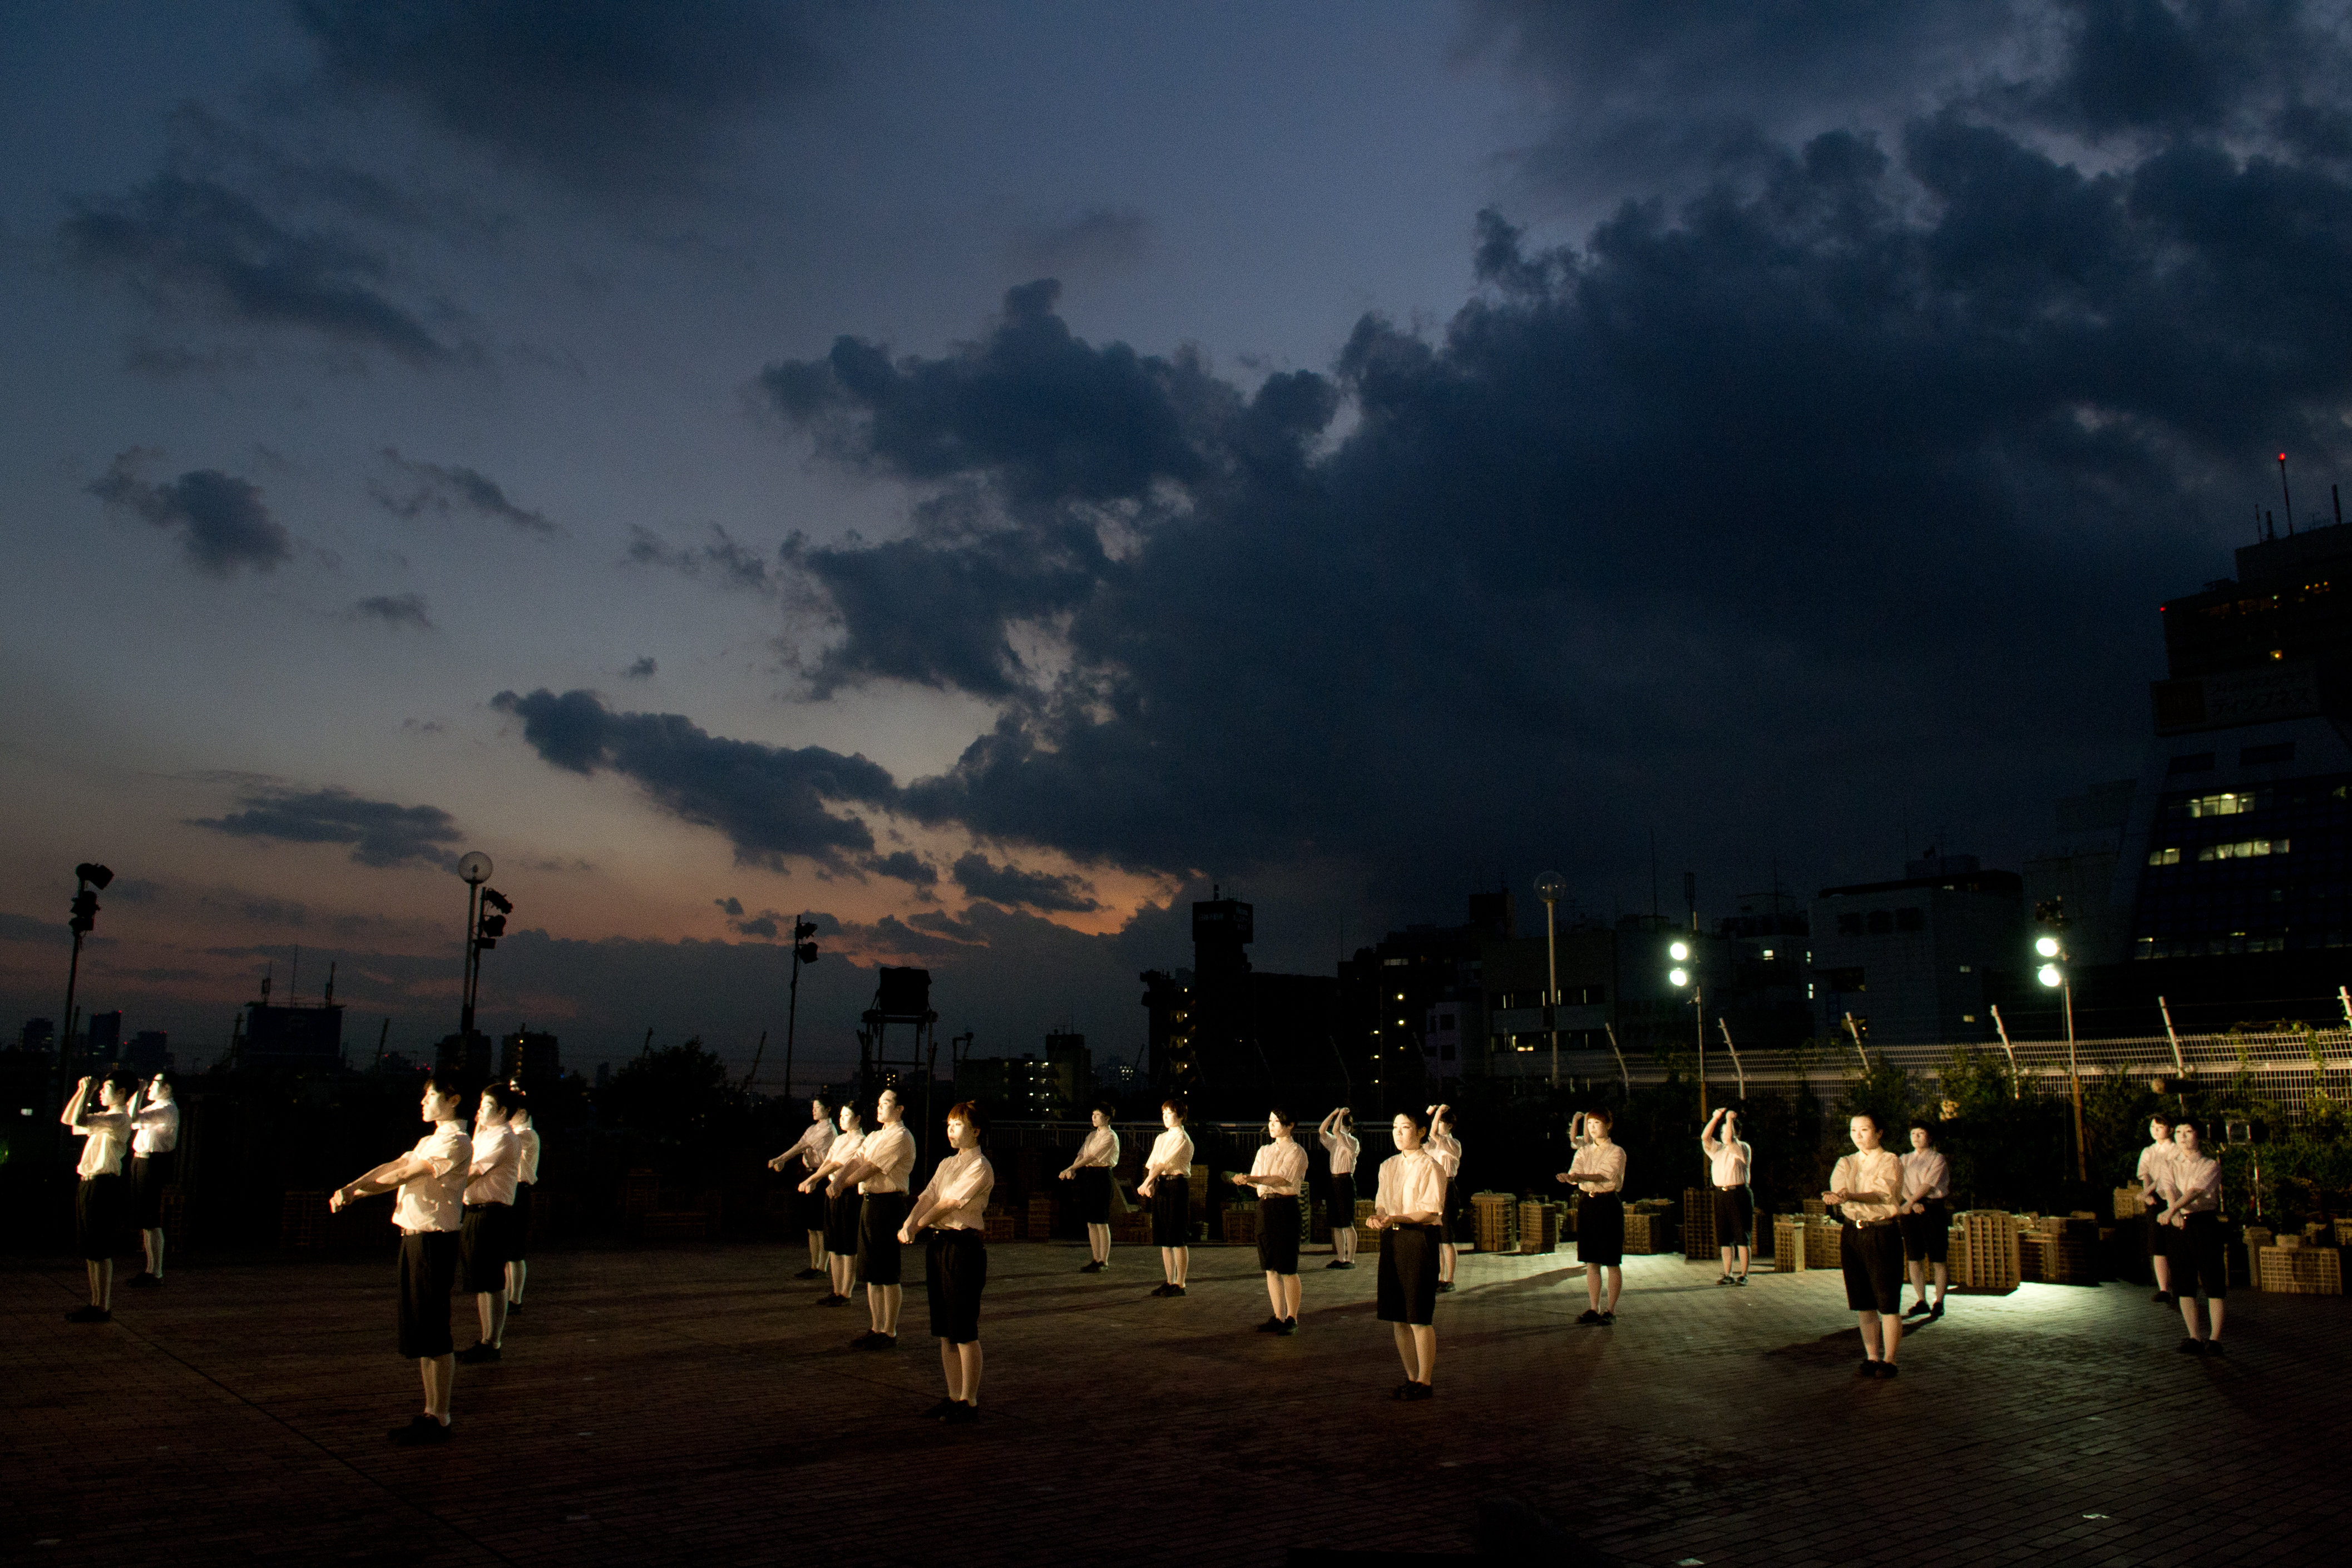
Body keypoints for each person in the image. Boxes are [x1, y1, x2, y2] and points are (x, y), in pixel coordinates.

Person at [329, 1069, 471, 1443]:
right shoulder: (429, 1140)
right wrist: (352, 1188)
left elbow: (404, 1175)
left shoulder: (455, 1142)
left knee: (435, 1330)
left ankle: (441, 1416)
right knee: (422, 1330)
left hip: (434, 1242)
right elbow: (393, 1166)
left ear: (453, 1099)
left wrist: (357, 1191)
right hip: (415, 1239)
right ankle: (431, 1412)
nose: (423, 1102)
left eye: (430, 1095)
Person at [899, 1100, 995, 1422]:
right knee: (945, 1329)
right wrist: (909, 1222)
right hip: (939, 1246)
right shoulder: (946, 1163)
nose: (951, 1130)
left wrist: (917, 1224)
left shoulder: (980, 1166)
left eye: (958, 1125)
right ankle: (954, 1396)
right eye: (949, 1125)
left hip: (963, 1248)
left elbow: (951, 1202)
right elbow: (928, 1196)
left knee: (964, 1328)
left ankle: (970, 1401)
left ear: (976, 1131)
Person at [1366, 1107, 1446, 1399]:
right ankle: (1411, 1378)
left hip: (1419, 1241)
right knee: (1398, 1316)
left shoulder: (1431, 1166)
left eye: (1406, 1128)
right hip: (1392, 1241)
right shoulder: (1387, 1166)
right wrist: (1378, 1217)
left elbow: (1429, 1211)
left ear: (1421, 1132)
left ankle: (1425, 1381)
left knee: (1419, 1315)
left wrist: (1393, 1219)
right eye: (1396, 1128)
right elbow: (1382, 1203)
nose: (1399, 1133)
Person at [828, 1087, 916, 1348]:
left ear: (900, 1109)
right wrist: (840, 1178)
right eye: (879, 1103)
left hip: (888, 1205)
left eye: (887, 1103)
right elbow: (856, 1160)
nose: (880, 1107)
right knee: (870, 1269)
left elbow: (871, 1168)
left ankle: (889, 1331)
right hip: (870, 1203)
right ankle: (876, 1327)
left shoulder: (900, 1136)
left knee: (887, 1271)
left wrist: (841, 1185)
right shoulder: (877, 1135)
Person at [1825, 1111, 1906, 1378]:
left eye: (1865, 1130)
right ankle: (1871, 1356)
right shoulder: (1846, 1162)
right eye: (1853, 1130)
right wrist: (1837, 1198)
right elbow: (1839, 1192)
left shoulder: (1890, 1160)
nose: (1858, 1136)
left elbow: (1883, 1194)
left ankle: (1890, 1359)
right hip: (1853, 1233)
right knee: (1862, 1300)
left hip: (1881, 1232)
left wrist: (1849, 1196)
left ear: (1879, 1132)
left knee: (1887, 1299)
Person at [60, 1072, 136, 1322]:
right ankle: (96, 1304)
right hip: (89, 1183)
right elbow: (70, 1120)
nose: (102, 1091)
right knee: (91, 1250)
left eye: (107, 1088)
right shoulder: (107, 1118)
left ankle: (102, 1306)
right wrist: (83, 1092)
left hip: (103, 1185)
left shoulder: (119, 1118)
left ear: (122, 1092)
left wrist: (88, 1092)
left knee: (99, 1249)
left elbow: (79, 1118)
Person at [457, 1083, 524, 1364]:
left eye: (486, 1107)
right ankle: (486, 1339)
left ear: (503, 1111)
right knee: (482, 1281)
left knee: (492, 1281)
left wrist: (444, 1185)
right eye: (481, 1105)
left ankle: (493, 1342)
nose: (480, 1112)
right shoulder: (487, 1135)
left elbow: (473, 1171)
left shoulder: (505, 1139)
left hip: (493, 1214)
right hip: (477, 1211)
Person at [1232, 1107, 1309, 1334]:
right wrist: (1244, 1180)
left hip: (1285, 1207)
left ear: (1290, 1125)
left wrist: (1253, 1178)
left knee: (1287, 1266)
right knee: (1270, 1266)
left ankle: (1292, 1318)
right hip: (1265, 1206)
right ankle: (1278, 1315)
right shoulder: (1264, 1150)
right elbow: (1258, 1181)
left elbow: (1281, 1179)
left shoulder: (1296, 1152)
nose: (1272, 1125)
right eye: (1270, 1121)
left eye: (1277, 1121)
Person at [2160, 1119, 2227, 1356]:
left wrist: (2172, 1210)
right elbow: (2169, 1188)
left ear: (2198, 1135)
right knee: (2183, 1281)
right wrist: (2173, 1210)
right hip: (2179, 1224)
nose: (2183, 1136)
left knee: (2212, 1280)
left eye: (2188, 1132)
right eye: (2178, 1132)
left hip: (2203, 1222)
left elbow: (2195, 1192)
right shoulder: (2170, 1164)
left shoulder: (2210, 1165)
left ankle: (2215, 1339)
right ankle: (2194, 1337)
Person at [1559, 1109, 1625, 1324]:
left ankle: (1610, 1310)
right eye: (1589, 1124)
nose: (1593, 1128)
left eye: (1597, 1123)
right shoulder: (1584, 1151)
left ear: (1608, 1125)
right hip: (1587, 1202)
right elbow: (1575, 1171)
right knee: (1591, 1260)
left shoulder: (1617, 1151)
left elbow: (1603, 1176)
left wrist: (1578, 1176)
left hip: (1607, 1203)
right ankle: (1593, 1308)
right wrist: (1569, 1177)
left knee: (1611, 1260)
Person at [799, 1102, 866, 1308]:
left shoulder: (861, 1140)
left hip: (849, 1194)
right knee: (834, 1244)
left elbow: (839, 1164)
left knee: (847, 1246)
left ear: (857, 1119)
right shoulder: (839, 1139)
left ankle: (846, 1292)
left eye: (847, 1116)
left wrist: (812, 1180)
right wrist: (816, 1179)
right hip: (832, 1192)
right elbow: (828, 1162)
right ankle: (836, 1290)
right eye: (842, 1115)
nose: (842, 1119)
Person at [767, 1099, 835, 1280]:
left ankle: (822, 1266)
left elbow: (802, 1147)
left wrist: (779, 1159)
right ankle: (814, 1265)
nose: (814, 1111)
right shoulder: (812, 1129)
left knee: (820, 1225)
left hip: (821, 1177)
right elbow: (801, 1145)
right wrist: (782, 1160)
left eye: (818, 1108)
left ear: (828, 1109)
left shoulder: (829, 1130)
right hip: (809, 1175)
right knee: (811, 1226)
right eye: (813, 1108)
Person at [126, 1071, 180, 1289]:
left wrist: (138, 1092)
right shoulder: (158, 1107)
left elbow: (133, 1118)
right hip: (142, 1160)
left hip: (152, 1162)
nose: (150, 1087)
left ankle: (155, 1271)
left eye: (155, 1083)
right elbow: (132, 1121)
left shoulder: (166, 1109)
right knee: (145, 1219)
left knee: (150, 1218)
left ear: (167, 1088)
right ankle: (151, 1270)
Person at [1138, 1097, 1195, 1296]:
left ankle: (1181, 1283)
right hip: (1162, 1184)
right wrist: (1152, 1183)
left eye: (1169, 1113)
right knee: (1163, 1237)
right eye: (1164, 1113)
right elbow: (1154, 1164)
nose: (1165, 1117)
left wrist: (1146, 1183)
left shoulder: (1182, 1139)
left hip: (1177, 1185)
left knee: (1176, 1236)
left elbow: (1164, 1164)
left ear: (1180, 1116)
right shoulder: (1161, 1138)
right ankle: (1170, 1280)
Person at [1058, 1101, 1121, 1272]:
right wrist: (1074, 1169)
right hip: (1090, 1175)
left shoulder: (1110, 1136)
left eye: (1098, 1115)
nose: (1094, 1117)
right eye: (1093, 1114)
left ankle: (1104, 1261)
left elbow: (1093, 1156)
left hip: (1102, 1176)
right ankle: (1095, 1258)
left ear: (1107, 1118)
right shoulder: (1092, 1136)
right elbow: (1082, 1154)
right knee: (1091, 1221)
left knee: (1101, 1221)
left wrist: (1071, 1168)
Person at [1898, 1121, 1951, 1320]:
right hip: (1911, 1209)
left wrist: (1912, 1201)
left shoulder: (1937, 1159)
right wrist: (1911, 1204)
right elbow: (1899, 1182)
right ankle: (1922, 1300)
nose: (1916, 1137)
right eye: (1913, 1133)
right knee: (1914, 1257)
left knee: (1938, 1258)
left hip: (1932, 1209)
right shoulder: (1904, 1159)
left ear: (1930, 1138)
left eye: (1921, 1134)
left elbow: (1929, 1184)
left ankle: (1939, 1302)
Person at [1699, 1106, 1752, 1286]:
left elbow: (1730, 1139)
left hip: (1738, 1193)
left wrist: (1729, 1119)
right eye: (1721, 1131)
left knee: (1741, 1236)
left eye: (1726, 1130)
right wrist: (1715, 1118)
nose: (1723, 1134)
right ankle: (1728, 1273)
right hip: (1721, 1195)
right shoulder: (1718, 1150)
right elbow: (1705, 1138)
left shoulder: (1741, 1148)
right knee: (1724, 1236)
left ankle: (1744, 1274)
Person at [2136, 1112, 2177, 1305]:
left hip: (2173, 1198)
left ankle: (2179, 1287)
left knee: (2175, 1244)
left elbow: (2166, 1177)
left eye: (2159, 1127)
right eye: (2153, 1127)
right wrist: (2148, 1194)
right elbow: (2145, 1174)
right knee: (2157, 1245)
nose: (2155, 1131)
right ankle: (2163, 1288)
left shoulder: (2175, 1149)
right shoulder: (2149, 1151)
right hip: (2155, 1201)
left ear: (2169, 1129)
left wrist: (2148, 1192)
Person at [506, 1095, 540, 1314]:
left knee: (515, 1251)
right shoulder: (514, 1134)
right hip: (508, 1191)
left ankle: (515, 1299)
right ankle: (508, 1296)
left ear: (524, 1113)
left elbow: (509, 1142)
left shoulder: (527, 1135)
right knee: (506, 1251)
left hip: (518, 1192)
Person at [1318, 1107, 1361, 1269]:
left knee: (1347, 1223)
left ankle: (1351, 1259)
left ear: (1349, 1128)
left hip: (1345, 1181)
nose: (1339, 1127)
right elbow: (1322, 1130)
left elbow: (1335, 1130)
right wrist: (1334, 1113)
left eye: (1343, 1125)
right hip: (1334, 1181)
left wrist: (1342, 1114)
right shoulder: (1334, 1142)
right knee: (1336, 1224)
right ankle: (1341, 1258)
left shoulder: (1352, 1142)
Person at [1427, 1104, 1464, 1292]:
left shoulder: (1452, 1143)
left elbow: (1433, 1133)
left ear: (1450, 1126)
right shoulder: (1434, 1146)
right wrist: (1430, 1114)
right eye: (1439, 1122)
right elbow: (1425, 1135)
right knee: (1437, 1238)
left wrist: (1438, 1112)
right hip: (1435, 1188)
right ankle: (1440, 1277)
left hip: (1448, 1188)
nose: (1439, 1125)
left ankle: (1450, 1279)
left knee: (1447, 1239)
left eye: (1442, 1122)